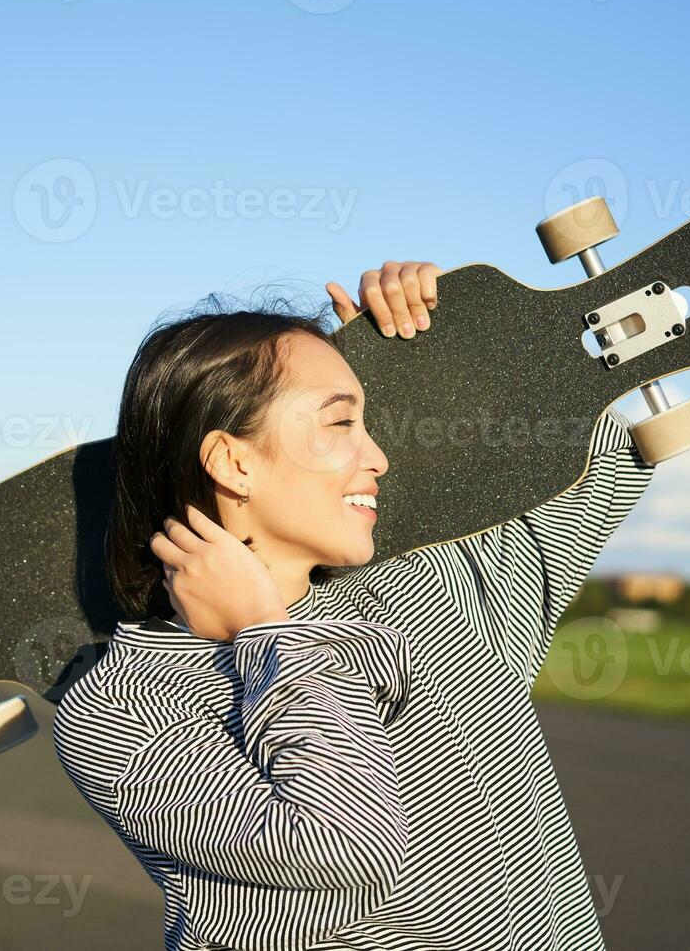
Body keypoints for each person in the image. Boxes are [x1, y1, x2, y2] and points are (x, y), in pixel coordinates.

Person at [52, 262, 655, 950]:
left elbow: (607, 449)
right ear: (233, 462)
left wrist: (437, 358)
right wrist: (263, 633)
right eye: (340, 423)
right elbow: (348, 841)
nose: (378, 457)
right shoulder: (120, 710)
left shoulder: (426, 592)